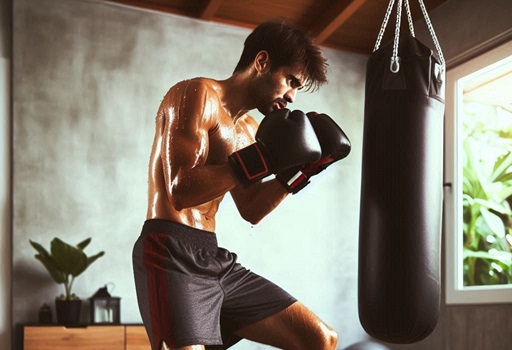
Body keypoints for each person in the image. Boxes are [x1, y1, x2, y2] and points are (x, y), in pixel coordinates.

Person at [133, 18, 351, 350]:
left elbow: (250, 209)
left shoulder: (249, 129)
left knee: (320, 339)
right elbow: (180, 190)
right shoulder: (196, 94)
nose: (291, 96)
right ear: (262, 62)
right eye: (290, 81)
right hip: (169, 251)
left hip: (213, 258)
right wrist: (264, 159)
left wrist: (299, 172)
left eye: (297, 88)